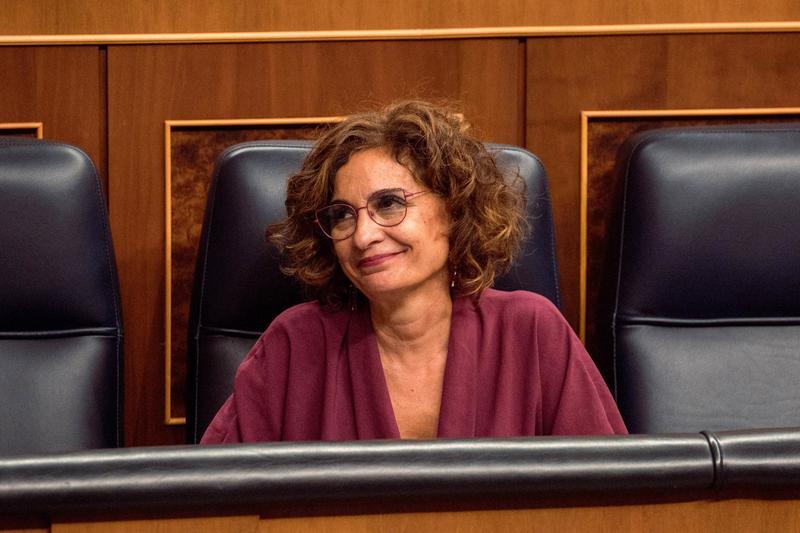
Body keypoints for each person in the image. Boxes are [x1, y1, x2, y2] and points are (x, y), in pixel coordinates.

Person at [201, 100, 627, 443]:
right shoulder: (294, 344)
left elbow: (612, 496)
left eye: (389, 204)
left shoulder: (531, 332)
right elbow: (215, 496)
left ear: (454, 209)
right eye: (342, 215)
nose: (363, 236)